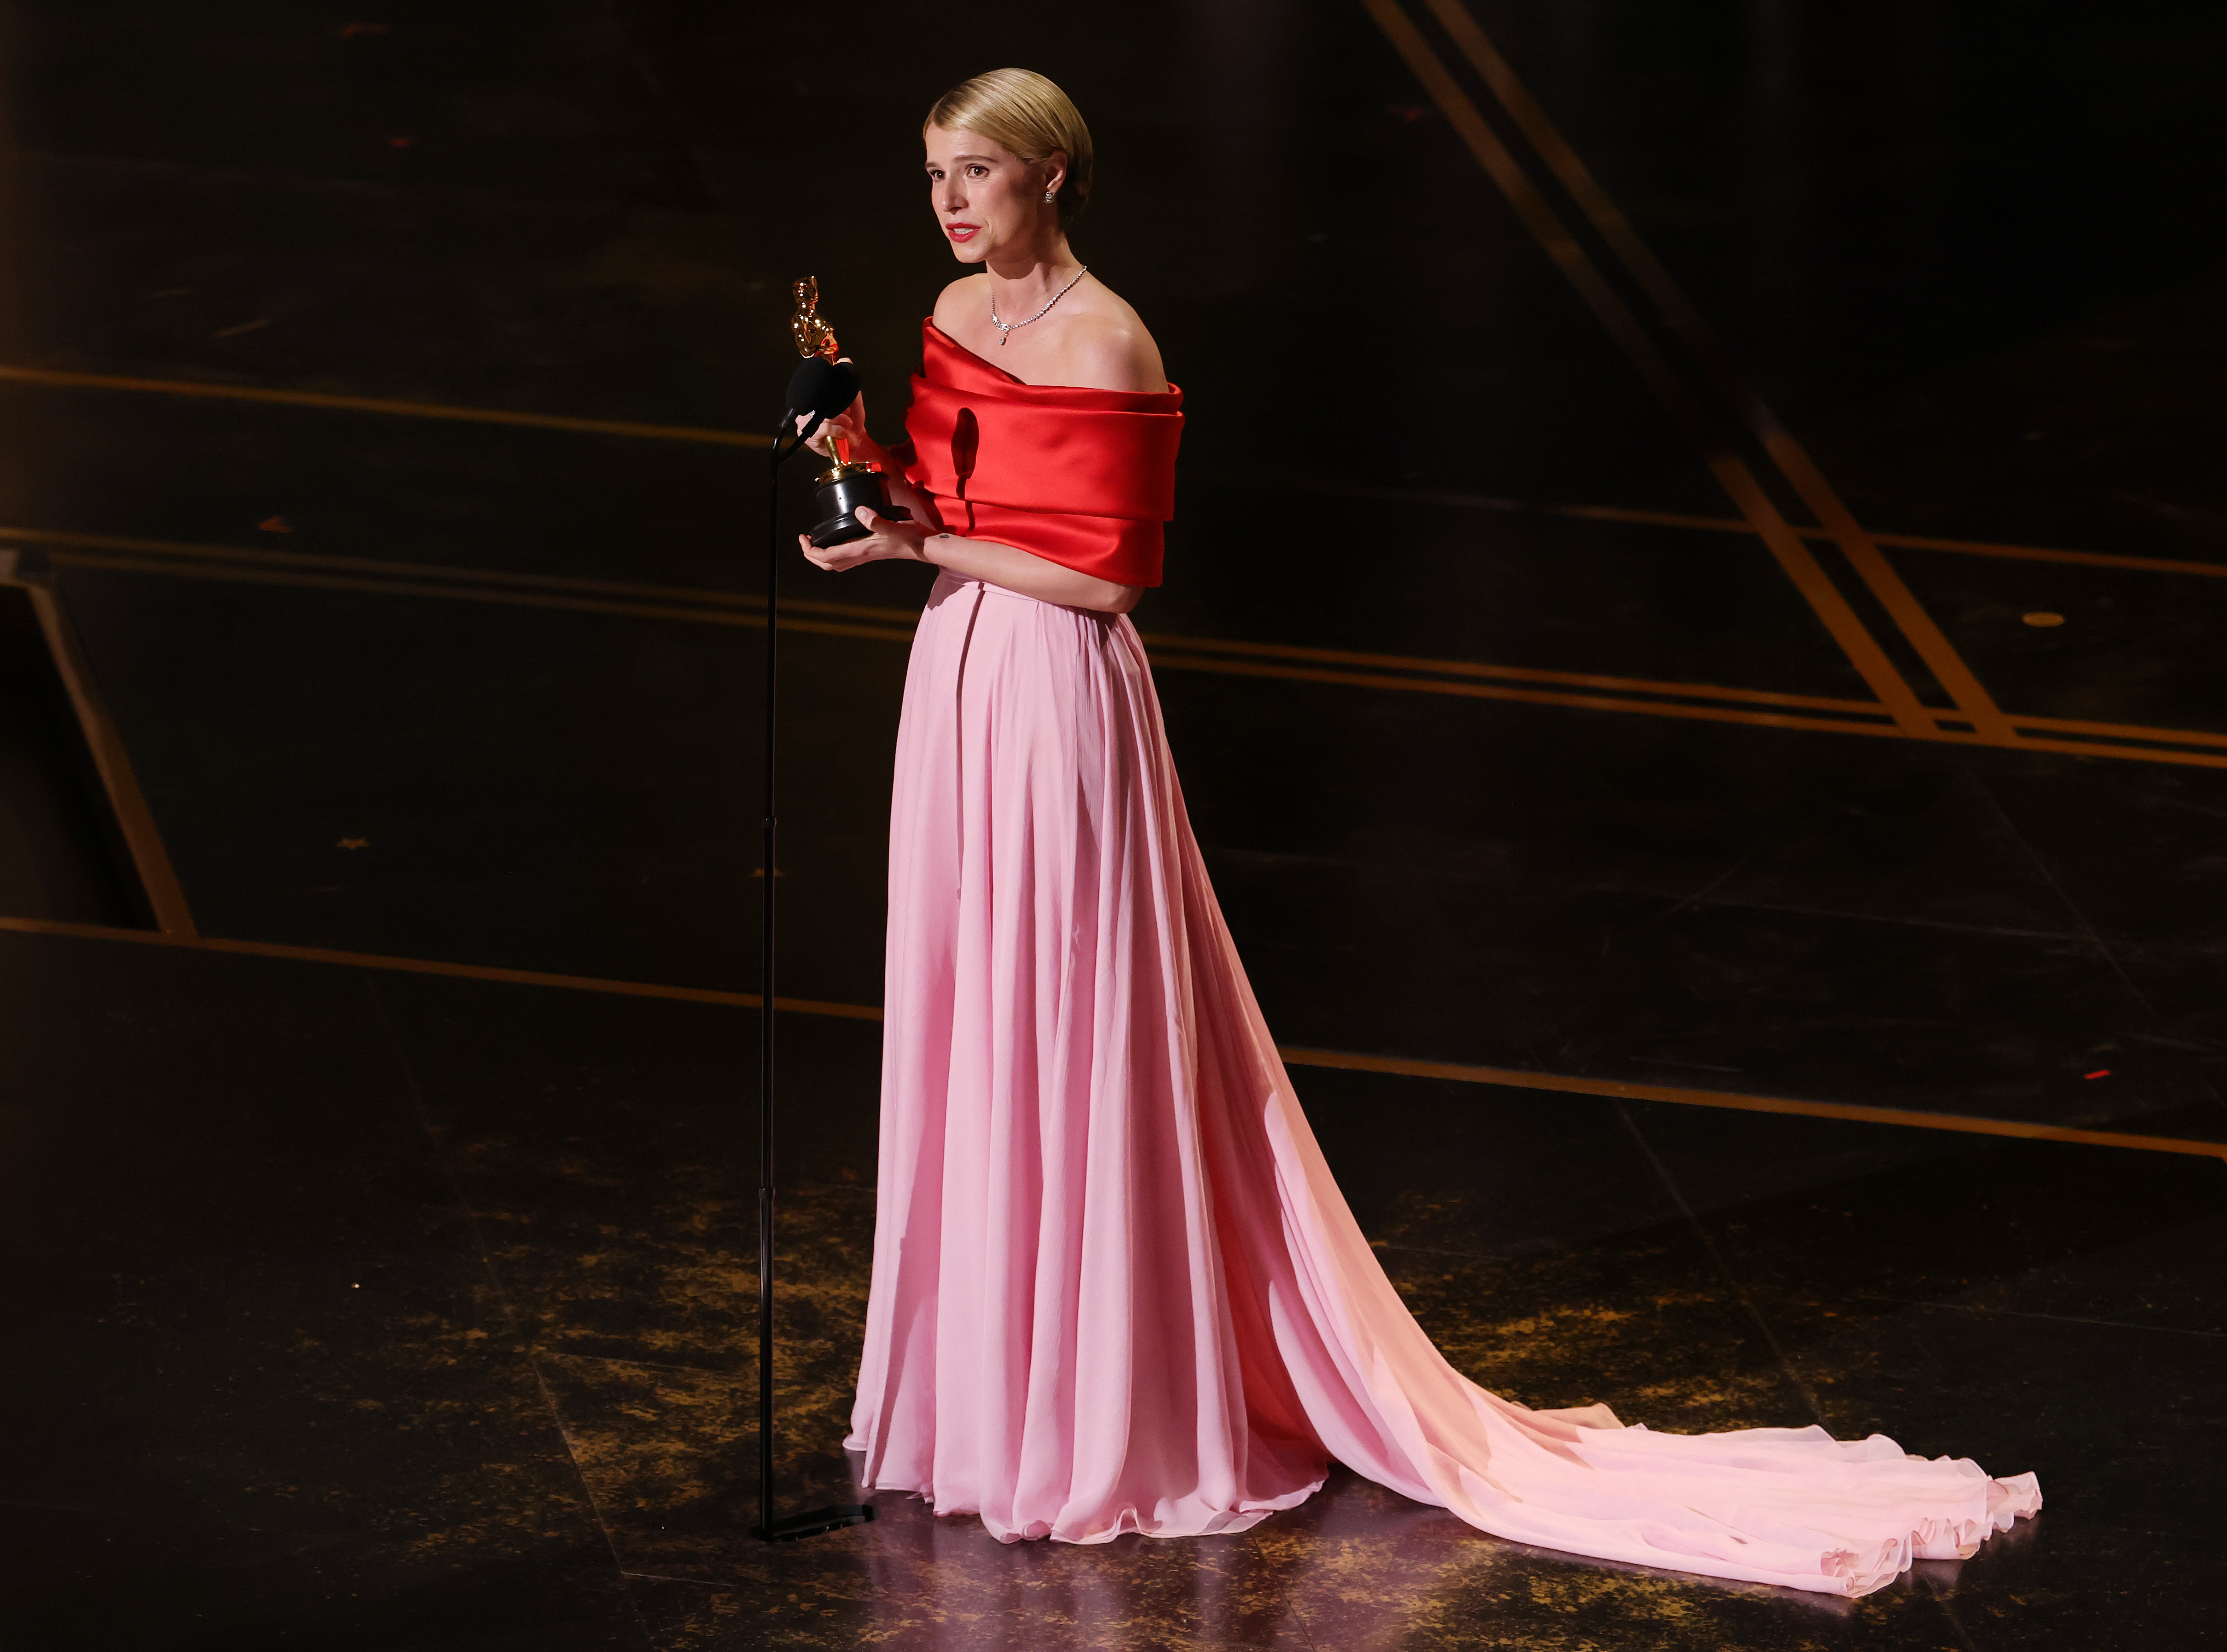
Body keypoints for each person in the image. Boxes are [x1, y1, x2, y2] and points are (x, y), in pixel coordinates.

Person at [794, 67, 2039, 1596]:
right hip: (957, 673)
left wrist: (925, 546)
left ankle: (1095, 1402)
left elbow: (1107, 581)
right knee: (976, 1003)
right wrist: (869, 485)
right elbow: (954, 497)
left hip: (1055, 690)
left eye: (976, 171)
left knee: (1067, 1003)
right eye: (935, 173)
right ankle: (992, 1394)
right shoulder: (950, 308)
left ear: (1052, 175)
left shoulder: (1110, 337)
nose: (948, 201)